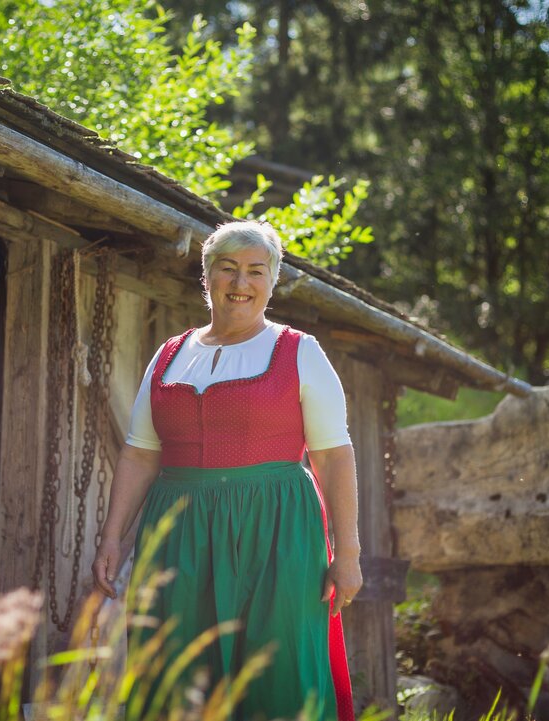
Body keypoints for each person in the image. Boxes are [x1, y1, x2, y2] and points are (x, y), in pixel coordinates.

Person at [92, 220, 362, 721]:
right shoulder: (170, 356)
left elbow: (332, 454)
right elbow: (140, 453)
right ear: (207, 276)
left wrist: (347, 551)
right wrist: (112, 538)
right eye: (228, 269)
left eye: (256, 272)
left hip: (277, 530)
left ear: (272, 281)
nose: (241, 284)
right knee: (175, 667)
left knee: (276, 671)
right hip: (180, 532)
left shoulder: (299, 351)